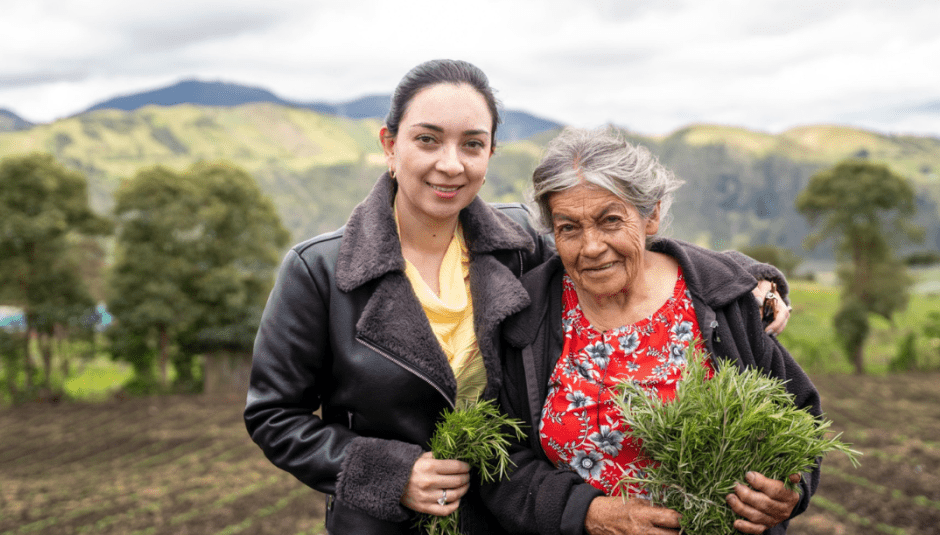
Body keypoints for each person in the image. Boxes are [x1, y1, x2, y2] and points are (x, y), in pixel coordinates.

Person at [245, 60, 791, 534]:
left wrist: (750, 277)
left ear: (490, 153)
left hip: (503, 519)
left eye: (472, 144)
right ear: (390, 145)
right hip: (386, 523)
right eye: (427, 139)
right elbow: (274, 415)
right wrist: (392, 473)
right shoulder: (320, 270)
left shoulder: (519, 245)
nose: (451, 163)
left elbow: (621, 240)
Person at [483, 127, 819, 535]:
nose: (591, 246)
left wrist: (789, 491)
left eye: (610, 221)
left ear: (651, 216)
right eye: (569, 228)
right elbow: (500, 462)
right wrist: (587, 513)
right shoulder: (527, 317)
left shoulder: (720, 299)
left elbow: (798, 418)